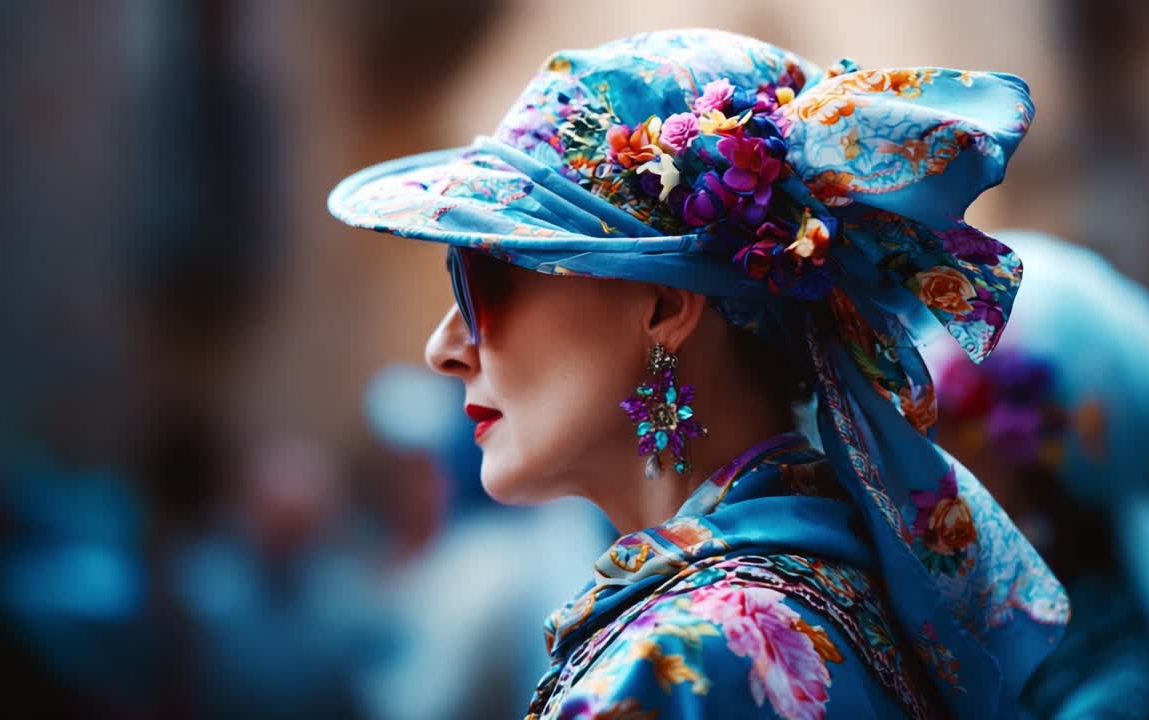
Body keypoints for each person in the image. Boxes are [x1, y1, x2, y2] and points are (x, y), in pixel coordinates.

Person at [328, 30, 1069, 719]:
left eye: (484, 279)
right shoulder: (840, 591)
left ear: (663, 305)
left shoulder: (677, 659)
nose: (444, 348)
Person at [932, 231, 1149, 719]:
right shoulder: (981, 624)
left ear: (1024, 456)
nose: (924, 454)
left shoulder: (1113, 687)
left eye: (946, 419)